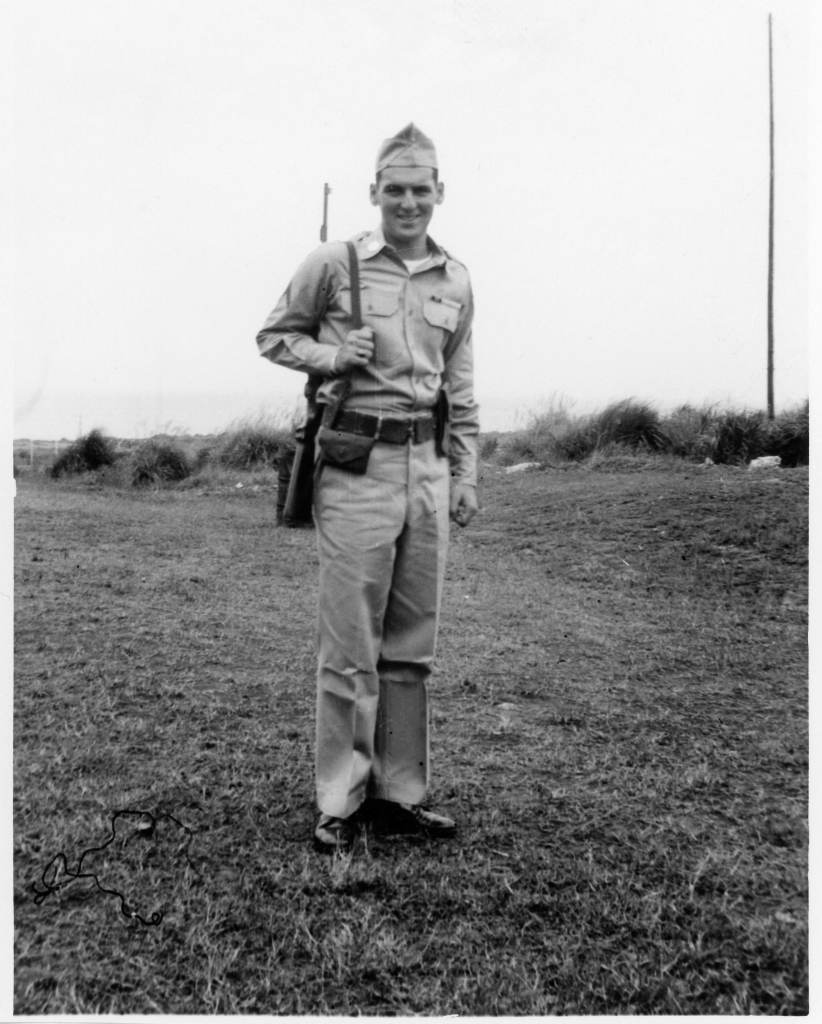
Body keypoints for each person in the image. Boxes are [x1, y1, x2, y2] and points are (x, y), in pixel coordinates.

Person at [256, 123, 479, 851]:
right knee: (351, 643)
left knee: (413, 646)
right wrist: (330, 354)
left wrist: (465, 474)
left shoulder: (457, 279)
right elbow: (274, 335)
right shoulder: (336, 261)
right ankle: (340, 799)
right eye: (395, 189)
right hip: (356, 466)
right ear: (374, 193)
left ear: (439, 193)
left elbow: (462, 389)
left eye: (421, 189)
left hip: (428, 468)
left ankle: (398, 793)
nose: (408, 202)